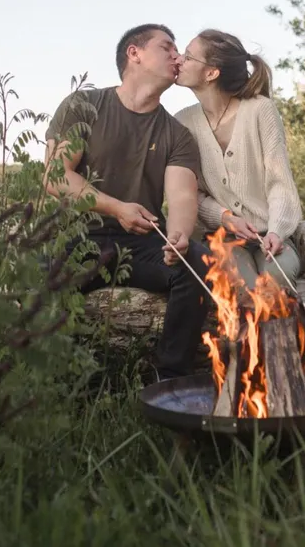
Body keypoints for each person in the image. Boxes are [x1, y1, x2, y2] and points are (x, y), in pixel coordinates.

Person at [44, 23, 211, 381]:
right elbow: (56, 176)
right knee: (43, 281)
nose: (177, 56)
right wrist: (117, 207)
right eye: (166, 47)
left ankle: (171, 380)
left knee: (195, 262)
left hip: (140, 243)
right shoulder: (85, 105)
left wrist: (178, 236)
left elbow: (182, 195)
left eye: (177, 49)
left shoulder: (177, 134)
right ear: (134, 53)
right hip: (74, 237)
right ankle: (70, 382)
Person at [173, 29, 304, 291]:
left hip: (272, 234)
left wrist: (277, 231)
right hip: (222, 238)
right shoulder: (182, 122)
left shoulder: (260, 110)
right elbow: (190, 193)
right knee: (243, 286)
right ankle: (245, 332)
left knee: (277, 279)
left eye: (187, 57)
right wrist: (224, 217)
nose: (178, 60)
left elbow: (280, 182)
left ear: (211, 73)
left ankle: (283, 331)